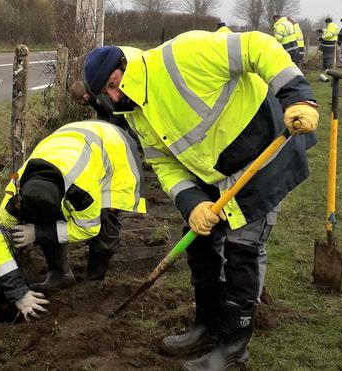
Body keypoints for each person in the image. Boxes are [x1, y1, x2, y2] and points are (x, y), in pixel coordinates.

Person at [84, 27, 318, 370]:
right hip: (214, 169)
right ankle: (207, 326)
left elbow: (258, 46)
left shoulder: (184, 54)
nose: (115, 96)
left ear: (124, 62)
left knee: (243, 248)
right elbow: (164, 163)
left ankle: (234, 348)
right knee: (199, 240)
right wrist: (191, 203)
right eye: (107, 92)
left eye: (114, 83)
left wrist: (297, 96)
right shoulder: (134, 112)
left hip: (265, 149)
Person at [0, 121, 146, 319]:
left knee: (105, 219)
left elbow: (89, 229)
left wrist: (40, 232)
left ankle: (94, 281)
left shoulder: (82, 190)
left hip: (114, 149)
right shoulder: (15, 192)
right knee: (49, 225)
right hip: (71, 143)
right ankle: (60, 274)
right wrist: (18, 293)